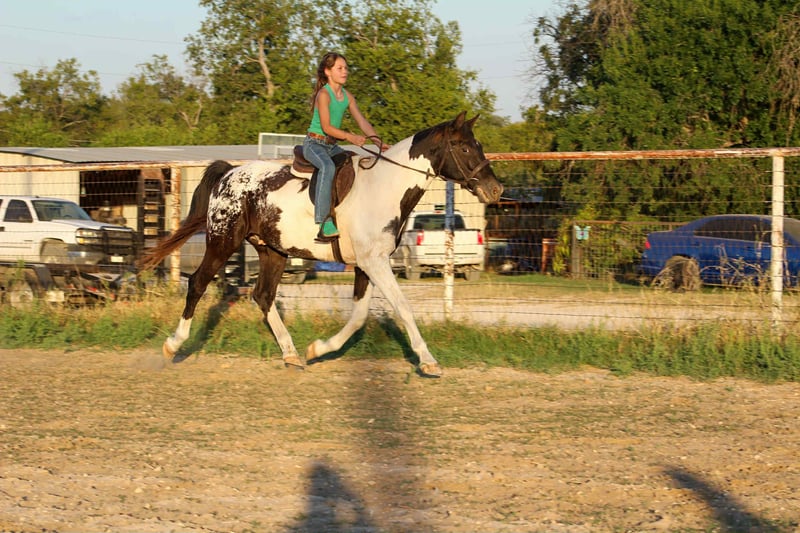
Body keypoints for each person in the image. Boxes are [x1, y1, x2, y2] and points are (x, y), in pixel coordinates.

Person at [303, 52, 387, 242]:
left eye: (346, 68)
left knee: (355, 163)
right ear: (328, 72)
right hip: (314, 144)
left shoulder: (347, 96)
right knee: (327, 167)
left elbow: (362, 121)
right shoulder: (324, 95)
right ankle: (324, 222)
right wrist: (350, 137)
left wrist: (378, 142)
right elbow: (326, 127)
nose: (345, 72)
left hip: (332, 146)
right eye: (339, 68)